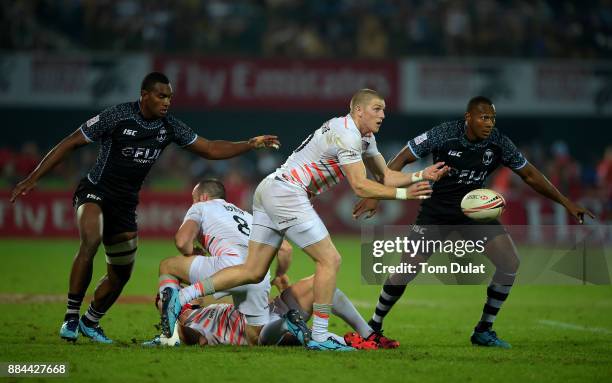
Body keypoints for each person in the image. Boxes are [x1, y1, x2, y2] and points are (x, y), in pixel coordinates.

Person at [162, 88, 449, 351]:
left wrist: (420, 175)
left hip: (270, 188)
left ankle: (182, 297)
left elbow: (385, 175)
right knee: (330, 260)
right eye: (377, 109)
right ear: (358, 110)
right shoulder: (346, 134)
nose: (383, 115)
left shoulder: (364, 137)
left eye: (384, 109)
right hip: (287, 192)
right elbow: (361, 186)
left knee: (253, 270)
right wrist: (404, 195)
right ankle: (322, 337)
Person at [9, 72, 280, 344]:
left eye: (170, 97)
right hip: (95, 191)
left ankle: (90, 321)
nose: (167, 102)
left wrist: (249, 144)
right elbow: (72, 141)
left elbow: (209, 148)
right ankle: (70, 316)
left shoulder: (169, 126)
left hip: (125, 204)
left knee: (121, 273)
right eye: (161, 96)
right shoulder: (117, 116)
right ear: (145, 95)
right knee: (90, 239)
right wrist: (33, 177)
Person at [353, 96, 595, 348]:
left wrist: (566, 202)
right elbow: (401, 159)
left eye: (492, 118)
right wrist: (375, 195)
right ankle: (374, 325)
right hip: (437, 212)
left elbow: (530, 175)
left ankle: (484, 329)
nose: (489, 123)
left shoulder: (499, 142)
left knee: (510, 262)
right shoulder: (444, 134)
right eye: (483, 117)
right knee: (406, 270)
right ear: (468, 117)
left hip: (473, 212)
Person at [157, 178, 296, 345]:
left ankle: (169, 338)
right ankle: (287, 325)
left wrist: (190, 251)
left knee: (168, 266)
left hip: (228, 268)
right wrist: (280, 274)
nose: (193, 202)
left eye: (194, 198)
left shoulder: (200, 207)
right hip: (259, 274)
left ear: (203, 197)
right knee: (256, 337)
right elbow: (286, 249)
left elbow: (182, 242)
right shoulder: (247, 216)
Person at [149, 275, 380, 350]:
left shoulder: (207, 308)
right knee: (282, 335)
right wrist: (175, 331)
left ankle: (367, 334)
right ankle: (348, 342)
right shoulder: (188, 324)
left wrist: (281, 290)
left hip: (265, 312)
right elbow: (195, 338)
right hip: (255, 331)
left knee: (319, 283)